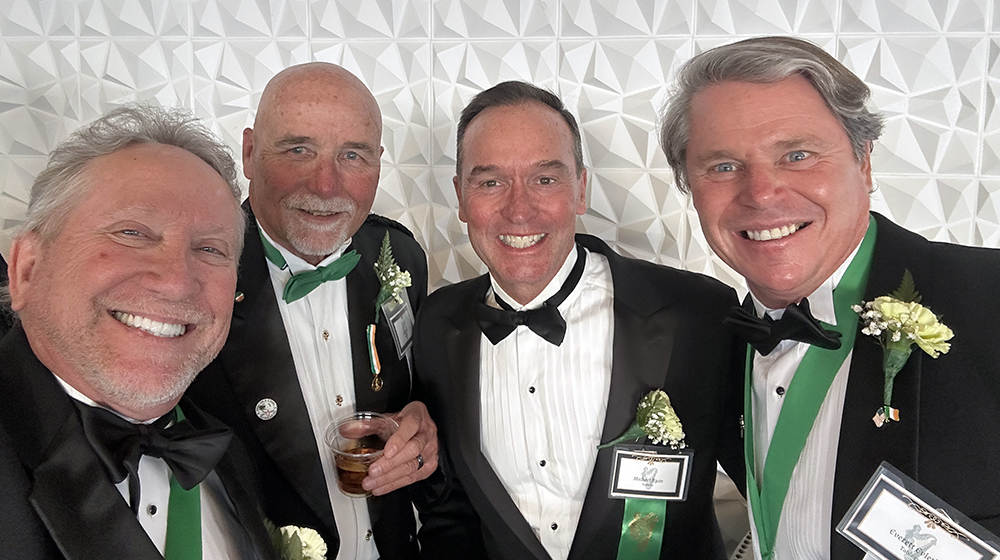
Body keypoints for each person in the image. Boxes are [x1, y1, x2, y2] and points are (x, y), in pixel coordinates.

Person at [660, 36, 1000, 560]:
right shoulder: (709, 341)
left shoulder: (990, 299)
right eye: (723, 166)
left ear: (864, 161)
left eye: (797, 155)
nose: (762, 193)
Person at [413, 81, 744, 560]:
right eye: (490, 182)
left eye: (545, 179)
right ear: (461, 198)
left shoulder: (699, 312)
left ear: (581, 189)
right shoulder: (436, 324)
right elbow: (449, 509)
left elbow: (770, 481)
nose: (519, 210)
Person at [0, 105, 278, 559]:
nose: (177, 281)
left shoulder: (229, 454)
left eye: (210, 249)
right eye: (132, 233)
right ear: (27, 269)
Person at [186, 62, 437, 560]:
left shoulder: (399, 256)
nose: (326, 185)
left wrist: (425, 422)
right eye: (298, 150)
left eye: (352, 155)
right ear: (250, 153)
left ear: (378, 162)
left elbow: (413, 389)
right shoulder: (194, 279)